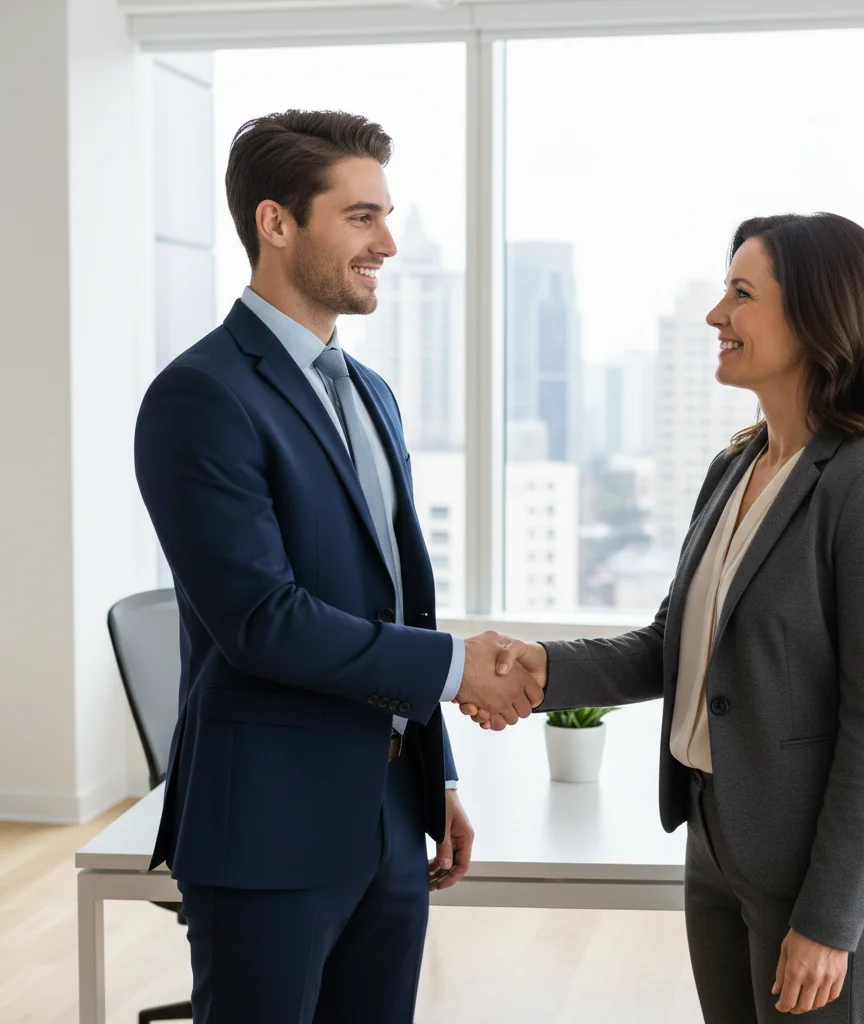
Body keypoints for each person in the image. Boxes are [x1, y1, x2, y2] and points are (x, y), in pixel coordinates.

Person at [464, 213, 864, 1021]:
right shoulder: (738, 464)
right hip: (718, 841)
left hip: (813, 868)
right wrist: (544, 669)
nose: (717, 316)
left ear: (818, 317)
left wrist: (828, 921)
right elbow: (674, 645)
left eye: (742, 294)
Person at [135, 109, 542, 1024]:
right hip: (267, 829)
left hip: (391, 816)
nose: (388, 243)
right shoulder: (201, 396)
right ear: (276, 223)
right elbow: (261, 619)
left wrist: (430, 780)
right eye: (361, 217)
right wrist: (452, 668)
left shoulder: (371, 393)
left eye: (386, 216)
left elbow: (388, 591)